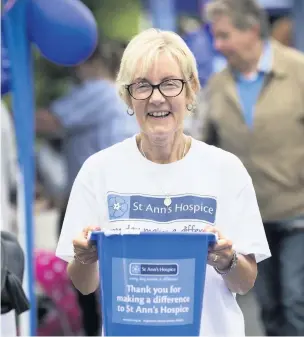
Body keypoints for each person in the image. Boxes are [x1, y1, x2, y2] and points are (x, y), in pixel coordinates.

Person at [56, 28, 271, 336]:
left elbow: (245, 281)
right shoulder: (98, 170)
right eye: (143, 85)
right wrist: (84, 259)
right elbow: (84, 284)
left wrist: (228, 260)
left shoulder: (226, 170)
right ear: (128, 96)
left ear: (191, 90)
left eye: (170, 84)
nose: (157, 98)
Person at [201, 0, 304, 335]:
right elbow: (207, 146)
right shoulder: (218, 84)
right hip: (250, 217)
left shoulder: (298, 71)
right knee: (269, 308)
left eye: (224, 35)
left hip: (297, 211)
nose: (217, 45)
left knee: (295, 301)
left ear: (252, 31)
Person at [36, 40, 138, 336]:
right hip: (116, 196)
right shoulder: (123, 95)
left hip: (92, 201)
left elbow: (47, 121)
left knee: (83, 272)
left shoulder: (98, 91)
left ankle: (93, 329)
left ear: (87, 63)